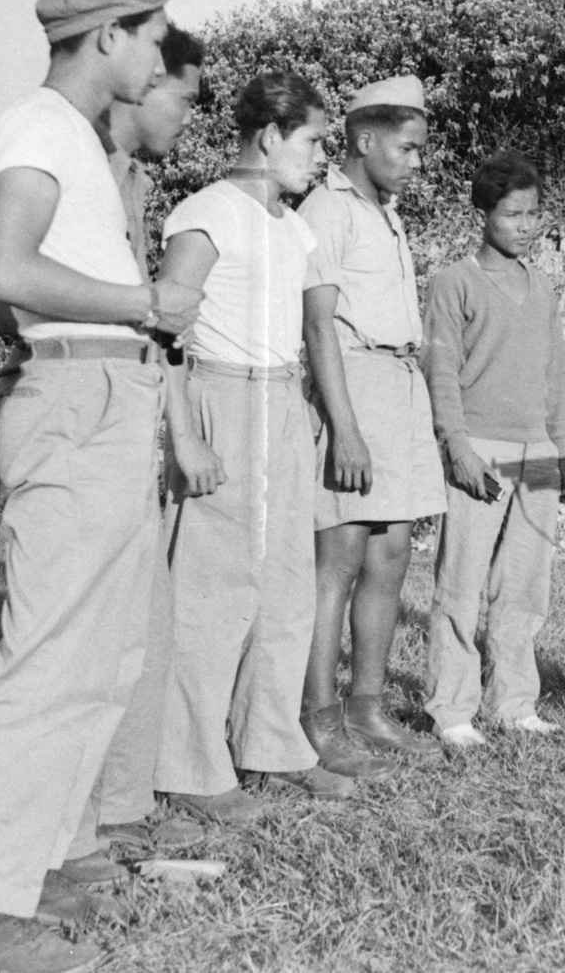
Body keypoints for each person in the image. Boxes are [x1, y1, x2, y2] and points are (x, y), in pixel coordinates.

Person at [0, 0, 201, 973]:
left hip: (107, 395)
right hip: (80, 393)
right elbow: (0, 264)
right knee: (48, 663)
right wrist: (142, 305)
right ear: (107, 38)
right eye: (151, 34)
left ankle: (41, 863)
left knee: (104, 658)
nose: (158, 53)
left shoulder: (69, 141)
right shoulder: (40, 126)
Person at [153, 71, 395, 824]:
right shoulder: (205, 214)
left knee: (286, 587)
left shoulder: (293, 226)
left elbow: (313, 330)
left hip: (284, 404)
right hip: (222, 398)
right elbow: (161, 335)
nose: (321, 156)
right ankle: (192, 767)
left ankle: (271, 746)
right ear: (268, 137)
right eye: (314, 140)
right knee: (215, 592)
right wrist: (185, 436)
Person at [297, 75, 446, 764]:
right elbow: (320, 324)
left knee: (391, 554)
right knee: (341, 559)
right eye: (408, 148)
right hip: (353, 383)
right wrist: (345, 427)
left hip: (397, 383)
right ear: (364, 138)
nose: (417, 163)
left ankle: (367, 705)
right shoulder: (327, 209)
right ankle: (318, 716)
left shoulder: (382, 211)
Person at [419, 150, 565, 748]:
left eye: (534, 214)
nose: (526, 225)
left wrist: (561, 448)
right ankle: (451, 709)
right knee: (460, 583)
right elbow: (440, 371)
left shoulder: (542, 288)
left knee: (524, 586)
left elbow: (555, 373)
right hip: (479, 448)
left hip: (535, 450)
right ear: (483, 213)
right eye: (513, 214)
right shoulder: (453, 283)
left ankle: (513, 703)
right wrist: (456, 447)